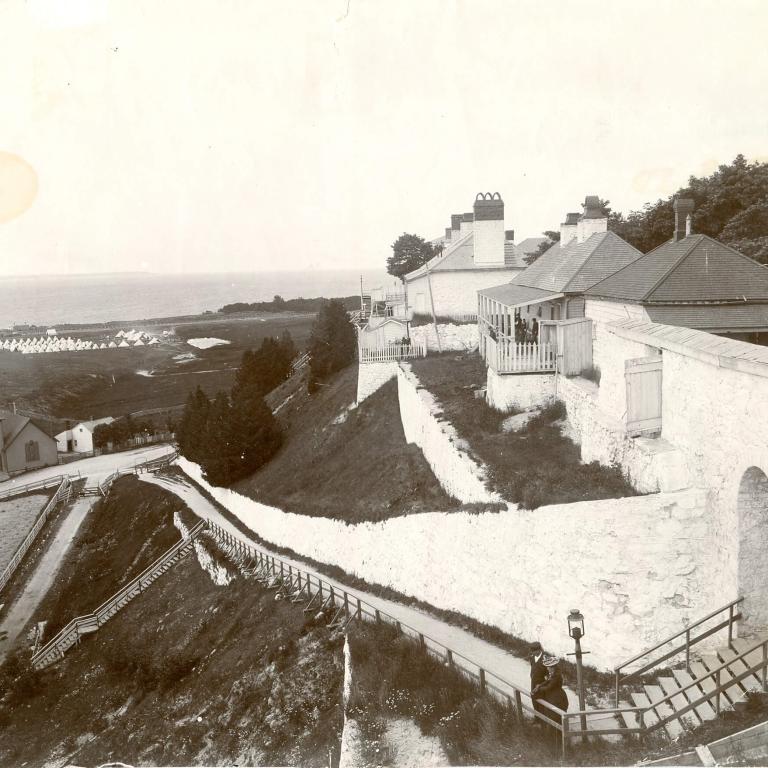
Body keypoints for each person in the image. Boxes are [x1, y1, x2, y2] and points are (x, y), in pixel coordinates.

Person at [532, 656, 569, 738]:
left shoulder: (557, 676)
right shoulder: (553, 674)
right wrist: (539, 685)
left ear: (553, 667)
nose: (547, 669)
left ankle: (559, 736)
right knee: (551, 714)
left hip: (557, 697)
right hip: (553, 695)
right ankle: (553, 735)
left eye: (548, 667)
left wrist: (539, 689)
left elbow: (549, 687)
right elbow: (547, 681)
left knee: (556, 715)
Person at [529, 642, 547, 720]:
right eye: (531, 651)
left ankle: (543, 720)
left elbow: (548, 673)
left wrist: (542, 684)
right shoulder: (532, 658)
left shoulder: (545, 658)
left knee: (542, 701)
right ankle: (537, 718)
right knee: (534, 698)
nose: (532, 653)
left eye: (534, 651)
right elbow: (532, 667)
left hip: (542, 683)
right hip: (533, 682)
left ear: (539, 650)